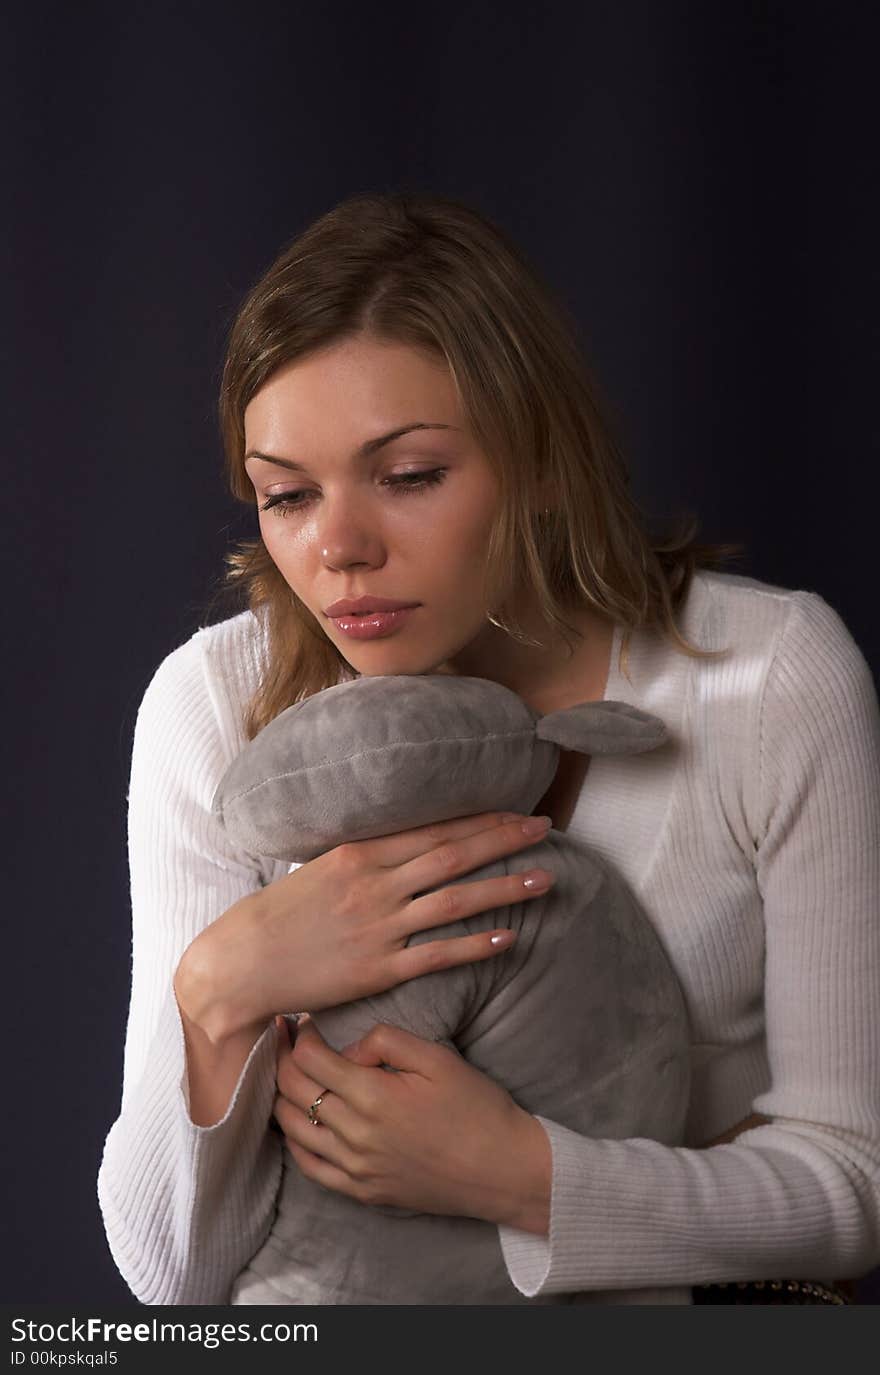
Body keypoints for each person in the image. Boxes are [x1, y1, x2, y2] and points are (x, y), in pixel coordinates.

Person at [97, 191, 880, 1306]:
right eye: (286, 494)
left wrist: (520, 1175)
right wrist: (221, 991)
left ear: (544, 459)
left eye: (409, 475)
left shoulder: (769, 678)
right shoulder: (213, 704)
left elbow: (854, 1185)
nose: (339, 549)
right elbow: (173, 1280)